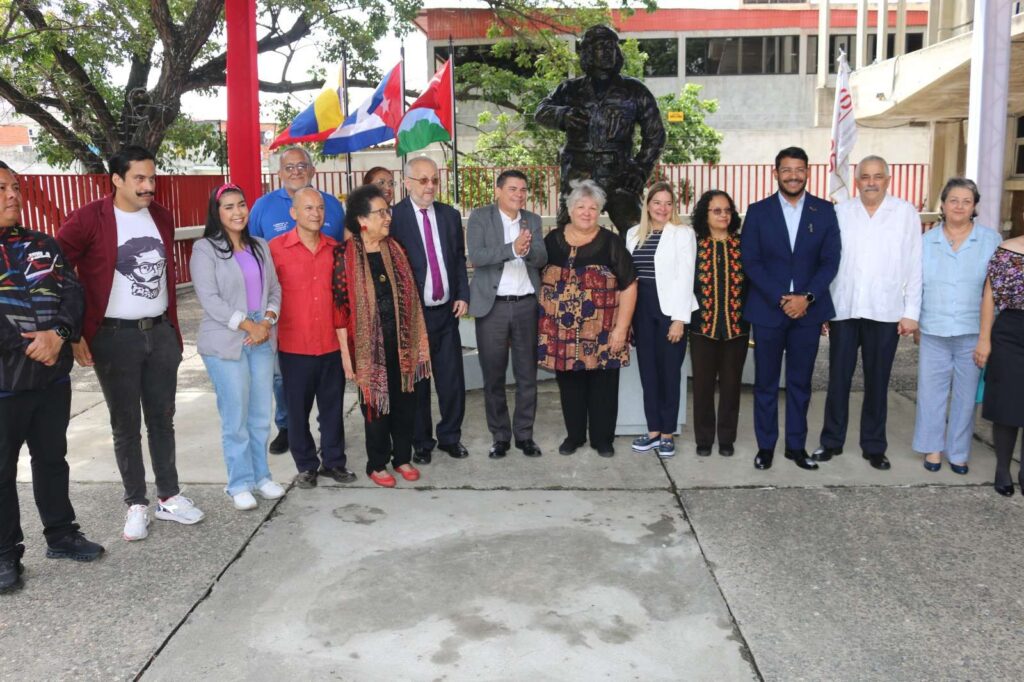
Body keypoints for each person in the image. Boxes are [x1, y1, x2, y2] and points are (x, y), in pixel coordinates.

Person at [58, 145, 204, 542]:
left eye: (152, 178)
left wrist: (172, 334)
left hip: (160, 334)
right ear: (117, 179)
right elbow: (57, 267)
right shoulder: (90, 218)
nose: (148, 186)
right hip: (113, 338)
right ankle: (136, 503)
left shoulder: (161, 217)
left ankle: (168, 496)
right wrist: (74, 330)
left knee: (162, 419)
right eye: (139, 178)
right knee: (125, 424)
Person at [0, 161, 104, 593]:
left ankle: (61, 534)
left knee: (52, 459)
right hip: (5, 384)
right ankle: (5, 554)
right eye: (2, 188)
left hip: (51, 379)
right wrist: (29, 344)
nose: (13, 195)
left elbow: (73, 293)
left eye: (15, 187)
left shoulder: (43, 244)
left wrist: (59, 335)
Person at [812, 156, 922, 471]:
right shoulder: (841, 213)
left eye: (877, 176)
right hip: (844, 308)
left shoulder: (904, 213)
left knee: (877, 381)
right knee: (838, 379)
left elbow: (915, 264)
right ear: (857, 180)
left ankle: (874, 446)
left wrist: (911, 312)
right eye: (865, 177)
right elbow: (827, 261)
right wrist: (823, 307)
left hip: (885, 311)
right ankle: (831, 441)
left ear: (888, 179)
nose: (871, 182)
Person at [741, 147, 841, 472]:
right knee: (766, 383)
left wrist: (806, 297)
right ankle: (766, 447)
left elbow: (830, 261)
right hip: (768, 310)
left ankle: (796, 447)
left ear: (807, 172)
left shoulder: (823, 211)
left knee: (800, 384)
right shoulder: (758, 212)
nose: (793, 176)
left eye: (799, 170)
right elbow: (751, 261)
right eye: (787, 170)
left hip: (808, 313)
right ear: (776, 173)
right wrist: (782, 297)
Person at [191, 184, 287, 510]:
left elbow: (274, 289)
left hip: (262, 335)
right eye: (229, 206)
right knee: (236, 417)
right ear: (217, 212)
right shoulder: (205, 249)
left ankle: (261, 477)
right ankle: (239, 483)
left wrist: (267, 320)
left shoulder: (260, 246)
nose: (238, 212)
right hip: (226, 339)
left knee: (260, 414)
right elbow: (210, 299)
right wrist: (249, 325)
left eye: (242, 204)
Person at [248, 146, 345, 457]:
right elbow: (252, 259)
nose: (296, 171)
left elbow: (341, 261)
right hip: (285, 323)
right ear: (279, 173)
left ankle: (332, 452)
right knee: (284, 383)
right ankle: (287, 429)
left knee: (330, 398)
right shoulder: (263, 210)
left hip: (326, 328)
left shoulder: (331, 208)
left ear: (312, 170)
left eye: (302, 165)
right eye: (289, 167)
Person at [333, 185, 432, 487]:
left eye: (388, 211)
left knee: (405, 403)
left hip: (402, 343)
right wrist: (345, 356)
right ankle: (377, 464)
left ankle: (401, 457)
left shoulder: (396, 248)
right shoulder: (345, 255)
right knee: (375, 408)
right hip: (367, 349)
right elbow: (340, 310)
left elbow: (411, 296)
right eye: (381, 213)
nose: (388, 217)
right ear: (362, 219)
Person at [538, 179, 638, 457]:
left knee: (603, 387)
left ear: (599, 212)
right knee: (570, 386)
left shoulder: (611, 243)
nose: (586, 212)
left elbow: (630, 285)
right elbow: (537, 278)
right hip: (562, 334)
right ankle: (574, 436)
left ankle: (602, 440)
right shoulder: (552, 241)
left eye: (593, 208)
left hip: (604, 333)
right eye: (581, 206)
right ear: (570, 210)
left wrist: (622, 328)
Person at [534, 24, 665, 233]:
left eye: (611, 47)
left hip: (619, 176)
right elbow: (540, 112)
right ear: (588, 52)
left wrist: (640, 169)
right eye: (600, 47)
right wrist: (563, 115)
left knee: (636, 232)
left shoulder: (634, 91)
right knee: (568, 233)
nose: (607, 52)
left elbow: (655, 135)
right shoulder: (570, 89)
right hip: (578, 177)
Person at [912, 178, 1001, 475]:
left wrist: (986, 337)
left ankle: (959, 452)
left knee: (966, 396)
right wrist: (915, 323)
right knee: (930, 393)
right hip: (933, 328)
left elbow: (993, 291)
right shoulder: (926, 242)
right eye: (953, 200)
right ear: (943, 204)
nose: (959, 206)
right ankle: (932, 448)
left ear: (974, 206)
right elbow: (916, 285)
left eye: (966, 201)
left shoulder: (991, 240)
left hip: (973, 331)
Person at [269, 187, 356, 489]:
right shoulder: (275, 249)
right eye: (308, 208)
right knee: (297, 412)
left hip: (331, 344)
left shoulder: (335, 249)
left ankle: (334, 461)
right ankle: (306, 466)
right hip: (294, 346)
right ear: (294, 213)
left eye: (320, 207)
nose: (316, 213)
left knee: (332, 409)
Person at [389, 157, 471, 464]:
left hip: (446, 313)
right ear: (407, 182)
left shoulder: (449, 215)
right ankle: (421, 442)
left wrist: (462, 294)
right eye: (423, 180)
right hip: (413, 315)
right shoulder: (394, 217)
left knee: (452, 380)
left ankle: (450, 437)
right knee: (418, 384)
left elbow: (458, 258)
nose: (430, 186)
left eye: (434, 180)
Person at [467, 170, 548, 459]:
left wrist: (526, 252)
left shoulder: (532, 220)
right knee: (493, 376)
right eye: (513, 188)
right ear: (498, 190)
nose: (519, 194)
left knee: (527, 376)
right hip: (493, 308)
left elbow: (542, 258)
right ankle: (500, 436)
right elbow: (477, 256)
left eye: (523, 189)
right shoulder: (480, 217)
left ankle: (524, 435)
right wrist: (511, 249)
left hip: (526, 305)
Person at [624, 181, 697, 458]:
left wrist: (679, 320)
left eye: (668, 203)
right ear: (648, 205)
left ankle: (667, 433)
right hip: (641, 311)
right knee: (648, 373)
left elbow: (686, 277)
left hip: (670, 312)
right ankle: (653, 430)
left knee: (669, 374)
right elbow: (628, 277)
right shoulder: (633, 234)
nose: (662, 208)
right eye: (657, 202)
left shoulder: (683, 233)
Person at [689, 190, 749, 458]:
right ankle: (704, 439)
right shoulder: (695, 246)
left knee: (731, 386)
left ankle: (726, 438)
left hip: (737, 328)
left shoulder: (743, 245)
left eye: (727, 210)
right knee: (702, 386)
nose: (723, 215)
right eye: (717, 210)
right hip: (702, 328)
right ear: (705, 214)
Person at [978, 230, 1024, 496]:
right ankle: (1003, 469)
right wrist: (984, 339)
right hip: (1010, 332)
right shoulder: (1006, 250)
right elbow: (990, 296)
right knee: (1007, 402)